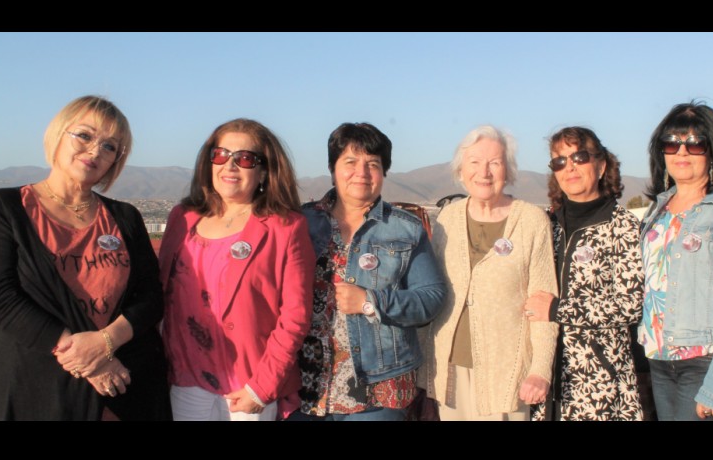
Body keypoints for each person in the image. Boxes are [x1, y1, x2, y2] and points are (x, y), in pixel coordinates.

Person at [0, 95, 171, 420]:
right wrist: (87, 358)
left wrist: (105, 343)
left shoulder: (124, 216)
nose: (95, 151)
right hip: (36, 387)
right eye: (84, 135)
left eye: (110, 146)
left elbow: (151, 297)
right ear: (57, 135)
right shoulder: (5, 208)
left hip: (123, 389)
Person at [159, 118, 315, 421]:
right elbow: (161, 290)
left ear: (264, 172)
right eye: (220, 155)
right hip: (186, 379)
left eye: (244, 159)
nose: (230, 166)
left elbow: (295, 316)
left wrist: (262, 387)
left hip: (249, 386)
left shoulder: (286, 227)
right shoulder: (183, 217)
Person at [290, 122, 446, 421]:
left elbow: (431, 298)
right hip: (305, 383)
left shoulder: (406, 227)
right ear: (332, 167)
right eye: (350, 161)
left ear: (384, 172)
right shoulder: (300, 221)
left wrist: (370, 300)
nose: (361, 172)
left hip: (379, 385)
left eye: (372, 164)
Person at [418, 125, 558, 420]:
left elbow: (543, 302)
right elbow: (430, 292)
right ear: (461, 170)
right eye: (474, 162)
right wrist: (424, 369)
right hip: (450, 372)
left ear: (508, 171)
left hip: (506, 375)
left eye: (495, 162)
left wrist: (540, 370)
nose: (484, 172)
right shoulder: (448, 219)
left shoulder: (533, 221)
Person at [637, 101, 713, 421]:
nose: (682, 152)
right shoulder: (656, 211)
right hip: (660, 360)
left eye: (695, 143)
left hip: (705, 361)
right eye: (672, 142)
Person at [523, 126, 644, 420]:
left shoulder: (622, 226)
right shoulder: (546, 226)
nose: (570, 167)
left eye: (579, 156)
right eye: (559, 161)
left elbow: (631, 305)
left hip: (599, 383)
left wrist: (558, 309)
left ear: (601, 165)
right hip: (545, 379)